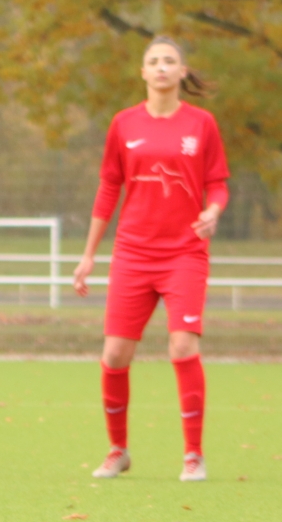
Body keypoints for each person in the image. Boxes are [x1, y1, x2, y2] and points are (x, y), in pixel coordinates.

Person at [72, 35, 229, 483]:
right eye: (153, 61)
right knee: (116, 353)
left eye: (170, 61)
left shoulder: (202, 125)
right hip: (133, 254)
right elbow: (107, 189)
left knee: (183, 344)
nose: (161, 67)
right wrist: (88, 257)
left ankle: (193, 455)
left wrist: (212, 211)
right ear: (143, 72)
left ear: (182, 72)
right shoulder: (123, 124)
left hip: (184, 254)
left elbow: (217, 183)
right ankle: (118, 450)